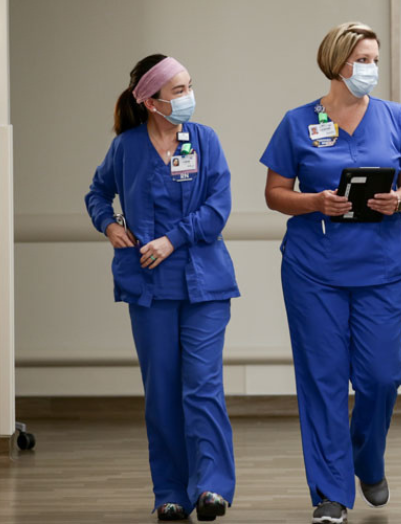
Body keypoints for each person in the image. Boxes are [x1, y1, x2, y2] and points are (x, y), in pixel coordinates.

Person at [261, 22, 401, 524]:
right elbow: (274, 193)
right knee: (323, 380)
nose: (371, 69)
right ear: (337, 62)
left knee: (382, 376)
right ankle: (331, 494)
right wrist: (314, 201)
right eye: (363, 59)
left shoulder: (396, 118)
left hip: (382, 268)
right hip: (314, 271)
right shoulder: (297, 122)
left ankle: (367, 458)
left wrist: (398, 199)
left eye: (375, 60)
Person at [85, 54, 239, 522]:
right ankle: (170, 491)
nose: (189, 97)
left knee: (203, 387)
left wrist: (173, 240)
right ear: (152, 102)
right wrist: (109, 225)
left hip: (204, 285)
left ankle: (212, 486)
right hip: (148, 287)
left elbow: (218, 208)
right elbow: (96, 193)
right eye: (179, 91)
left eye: (190, 86)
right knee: (163, 391)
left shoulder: (205, 141)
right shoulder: (126, 148)